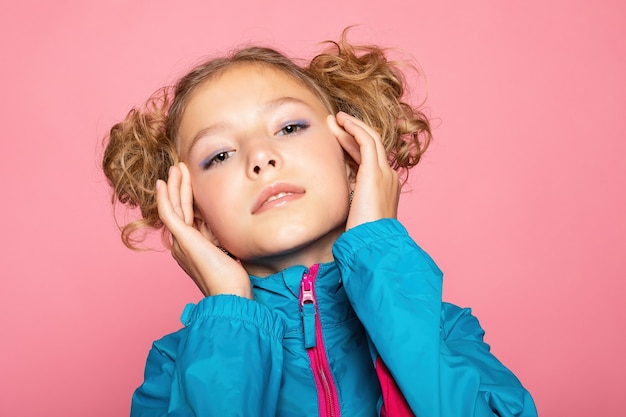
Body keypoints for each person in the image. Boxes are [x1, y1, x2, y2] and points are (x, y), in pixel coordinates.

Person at [102, 30, 537, 417]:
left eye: (289, 127)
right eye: (219, 155)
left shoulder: (442, 330)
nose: (261, 157)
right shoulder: (177, 367)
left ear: (352, 161)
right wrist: (230, 311)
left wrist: (375, 246)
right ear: (197, 216)